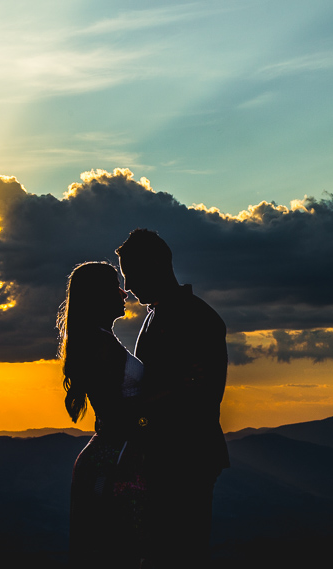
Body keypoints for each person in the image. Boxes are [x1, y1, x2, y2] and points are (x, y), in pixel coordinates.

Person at [116, 228, 228, 568]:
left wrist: (135, 411)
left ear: (155, 264)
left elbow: (199, 393)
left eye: (131, 274)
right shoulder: (157, 313)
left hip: (185, 456)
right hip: (166, 455)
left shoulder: (195, 317)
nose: (129, 287)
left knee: (181, 550)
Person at [59, 261, 147, 568]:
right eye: (114, 286)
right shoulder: (100, 345)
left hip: (111, 456)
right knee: (118, 552)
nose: (124, 292)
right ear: (98, 295)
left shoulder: (100, 340)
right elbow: (118, 416)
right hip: (115, 463)